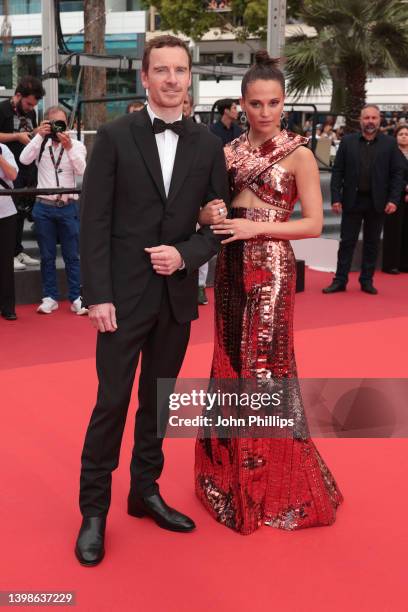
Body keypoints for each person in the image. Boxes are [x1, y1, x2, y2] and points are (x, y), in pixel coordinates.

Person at [75, 34, 229, 566]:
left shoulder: (209, 145)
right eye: (160, 70)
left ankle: (145, 490)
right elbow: (93, 220)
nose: (170, 79)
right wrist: (96, 294)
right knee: (111, 403)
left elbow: (215, 223)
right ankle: (93, 512)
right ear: (144, 77)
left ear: (189, 78)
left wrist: (185, 254)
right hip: (120, 298)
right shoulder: (115, 137)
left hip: (175, 298)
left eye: (179, 70)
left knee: (158, 403)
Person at [194, 50, 343, 535]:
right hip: (230, 266)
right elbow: (209, 210)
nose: (264, 111)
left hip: (273, 270)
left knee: (265, 366)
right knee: (230, 361)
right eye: (255, 103)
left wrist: (260, 228)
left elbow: (315, 223)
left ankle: (269, 485)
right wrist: (209, 217)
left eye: (273, 102)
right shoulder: (226, 151)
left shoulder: (298, 153)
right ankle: (230, 474)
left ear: (284, 103)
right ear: (242, 103)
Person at [323, 104, 403, 295]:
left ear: (379, 120)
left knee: (372, 243)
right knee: (347, 242)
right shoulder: (348, 142)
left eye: (374, 118)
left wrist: (393, 199)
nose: (370, 122)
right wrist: (336, 197)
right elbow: (338, 172)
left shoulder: (389, 144)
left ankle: (366, 280)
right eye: (366, 118)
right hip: (352, 200)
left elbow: (397, 173)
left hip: (378, 202)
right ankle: (340, 280)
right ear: (360, 120)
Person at [19, 106, 87, 315]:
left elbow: (83, 170)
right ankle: (50, 297)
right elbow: (24, 159)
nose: (58, 128)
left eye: (62, 123)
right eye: (53, 123)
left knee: (72, 255)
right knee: (47, 256)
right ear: (46, 124)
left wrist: (68, 148)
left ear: (68, 124)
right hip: (44, 208)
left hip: (67, 207)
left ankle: (76, 297)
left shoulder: (76, 145)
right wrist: (39, 136)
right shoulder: (40, 145)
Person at [0, 76, 45, 271]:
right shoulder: (2, 109)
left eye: (33, 105)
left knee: (22, 211)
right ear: (17, 95)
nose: (30, 108)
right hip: (7, 169)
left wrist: (37, 133)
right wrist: (17, 136)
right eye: (27, 103)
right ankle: (8, 253)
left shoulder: (32, 112)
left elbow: (28, 135)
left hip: (27, 167)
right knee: (10, 213)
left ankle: (17, 250)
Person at [182, 92, 210, 305]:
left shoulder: (203, 136)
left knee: (198, 242)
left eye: (185, 103)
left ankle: (200, 286)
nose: (182, 106)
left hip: (197, 198)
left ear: (190, 107)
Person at [382, 125, 408, 273]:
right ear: (396, 137)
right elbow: (389, 175)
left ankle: (405, 263)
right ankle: (390, 264)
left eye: (406, 134)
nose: (404, 136)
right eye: (401, 134)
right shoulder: (391, 154)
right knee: (393, 230)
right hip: (394, 196)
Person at [0, 144, 19, 320]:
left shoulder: (3, 149)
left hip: (5, 212)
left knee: (6, 261)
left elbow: (13, 175)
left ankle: (7, 306)